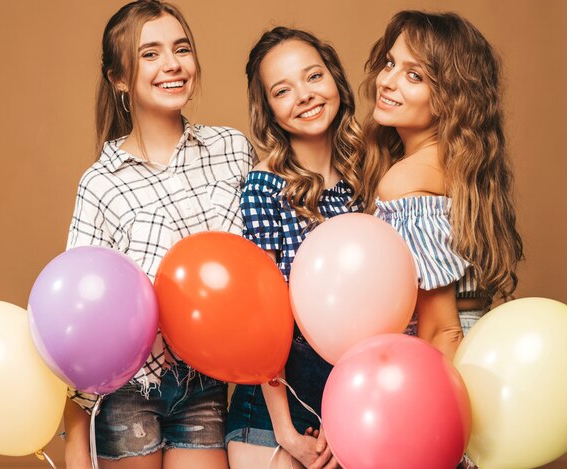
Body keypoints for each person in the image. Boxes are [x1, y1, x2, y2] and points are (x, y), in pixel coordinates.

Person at [63, 1, 253, 468]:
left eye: (181, 48)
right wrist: (74, 438)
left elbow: (258, 267)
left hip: (204, 385)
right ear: (118, 77)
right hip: (127, 392)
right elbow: (80, 315)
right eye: (150, 53)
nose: (172, 64)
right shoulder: (101, 182)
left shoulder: (232, 150)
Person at [225, 27, 366, 469]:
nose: (304, 95)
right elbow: (264, 318)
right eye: (283, 90)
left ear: (336, 81)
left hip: (350, 399)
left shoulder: (367, 180)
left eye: (313, 77)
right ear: (268, 110)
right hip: (273, 408)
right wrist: (286, 431)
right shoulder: (264, 189)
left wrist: (345, 410)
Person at [362, 10, 524, 362]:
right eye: (390, 63)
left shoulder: (407, 181)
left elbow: (442, 330)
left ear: (450, 97)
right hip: (475, 346)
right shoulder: (461, 169)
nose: (387, 81)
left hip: (442, 357)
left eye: (414, 75)